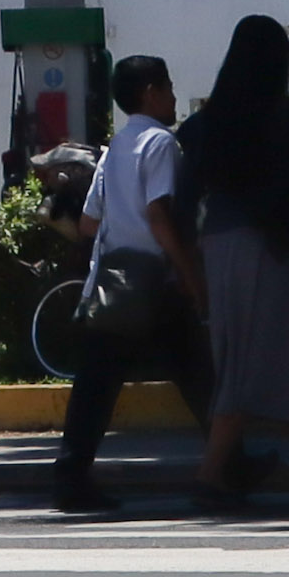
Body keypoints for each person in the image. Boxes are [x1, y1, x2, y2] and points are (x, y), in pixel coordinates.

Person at [177, 16, 289, 511]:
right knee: (259, 357)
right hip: (269, 249)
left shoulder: (208, 122)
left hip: (219, 247)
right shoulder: (282, 118)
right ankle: (209, 475)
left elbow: (186, 198)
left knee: (262, 353)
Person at [52, 55, 211, 514]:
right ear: (151, 93)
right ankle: (229, 460)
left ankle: (71, 474)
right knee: (197, 371)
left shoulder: (117, 146)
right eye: (168, 88)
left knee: (98, 381)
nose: (174, 97)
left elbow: (87, 223)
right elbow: (160, 215)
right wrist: (188, 272)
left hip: (115, 283)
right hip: (154, 279)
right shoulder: (161, 144)